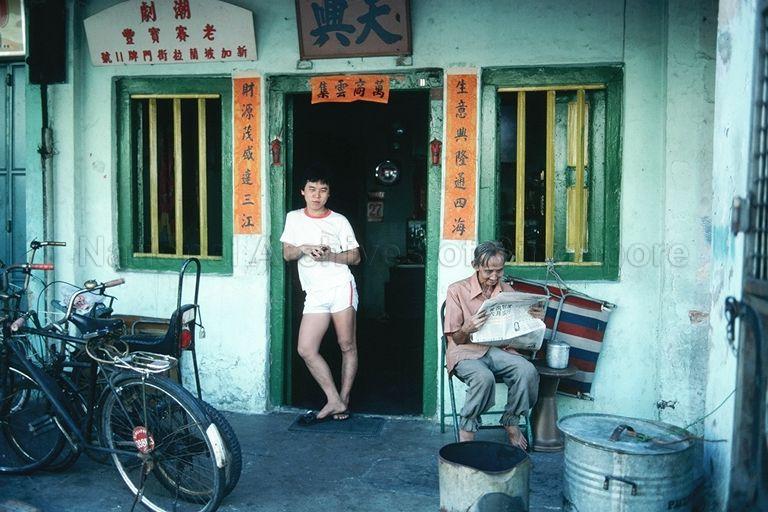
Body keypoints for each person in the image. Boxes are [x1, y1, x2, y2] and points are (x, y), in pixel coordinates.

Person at [443, 241, 542, 448]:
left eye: (499, 270)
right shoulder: (457, 290)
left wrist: (533, 319)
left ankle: (511, 421)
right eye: (489, 271)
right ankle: (467, 428)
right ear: (475, 265)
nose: (494, 277)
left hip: (497, 350)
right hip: (465, 351)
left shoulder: (507, 291)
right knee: (483, 377)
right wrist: (466, 328)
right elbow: (455, 339)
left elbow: (517, 333)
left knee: (527, 371)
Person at [280, 169, 361, 423]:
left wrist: (330, 256)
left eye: (322, 190)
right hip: (314, 292)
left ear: (328, 194)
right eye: (312, 189)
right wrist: (304, 248)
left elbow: (355, 256)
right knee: (306, 348)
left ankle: (344, 400)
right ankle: (333, 398)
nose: (317, 196)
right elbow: (287, 254)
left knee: (346, 344)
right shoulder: (293, 218)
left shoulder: (339, 221)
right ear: (303, 192)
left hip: (340, 285)